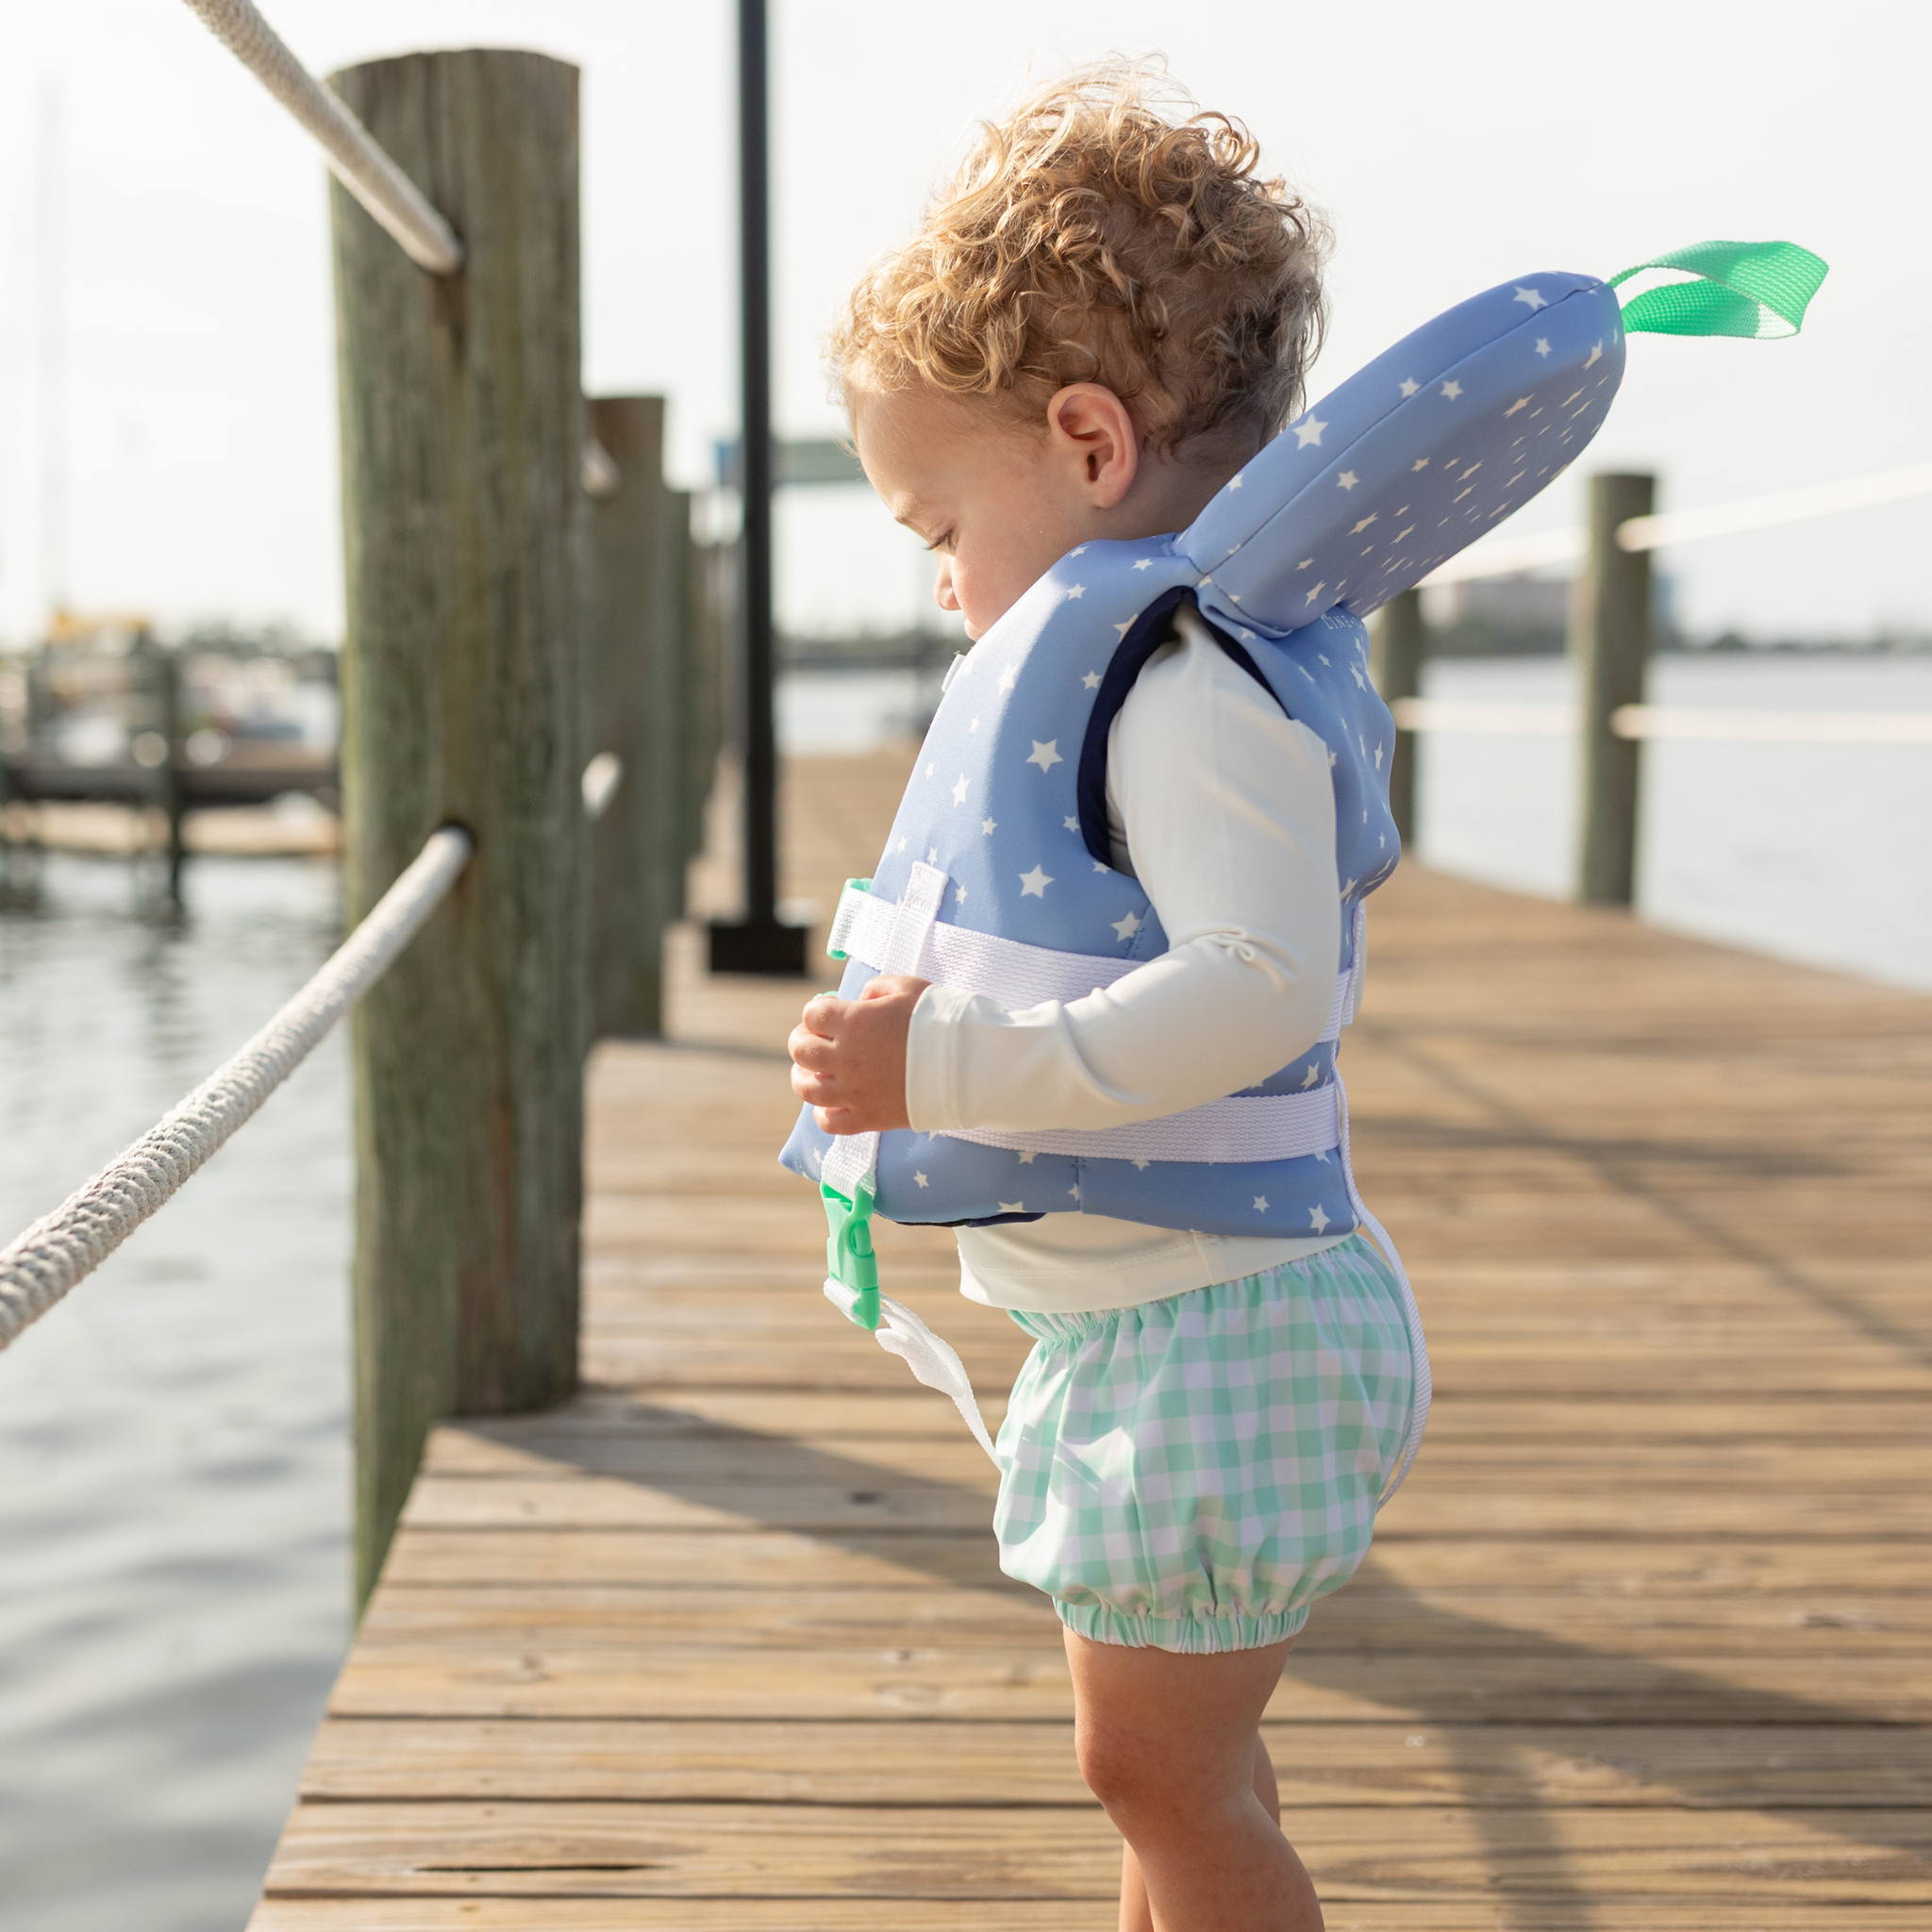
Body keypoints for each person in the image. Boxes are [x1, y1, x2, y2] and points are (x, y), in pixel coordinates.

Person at [786, 63, 1424, 1932]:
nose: (941, 588)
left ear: (1082, 443)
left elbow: (1256, 987)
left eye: (932, 527)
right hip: (1169, 1328)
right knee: (1176, 1779)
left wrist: (944, 1056)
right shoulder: (1170, 664)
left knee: (1161, 1778)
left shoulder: (1180, 691)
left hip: (1218, 1339)